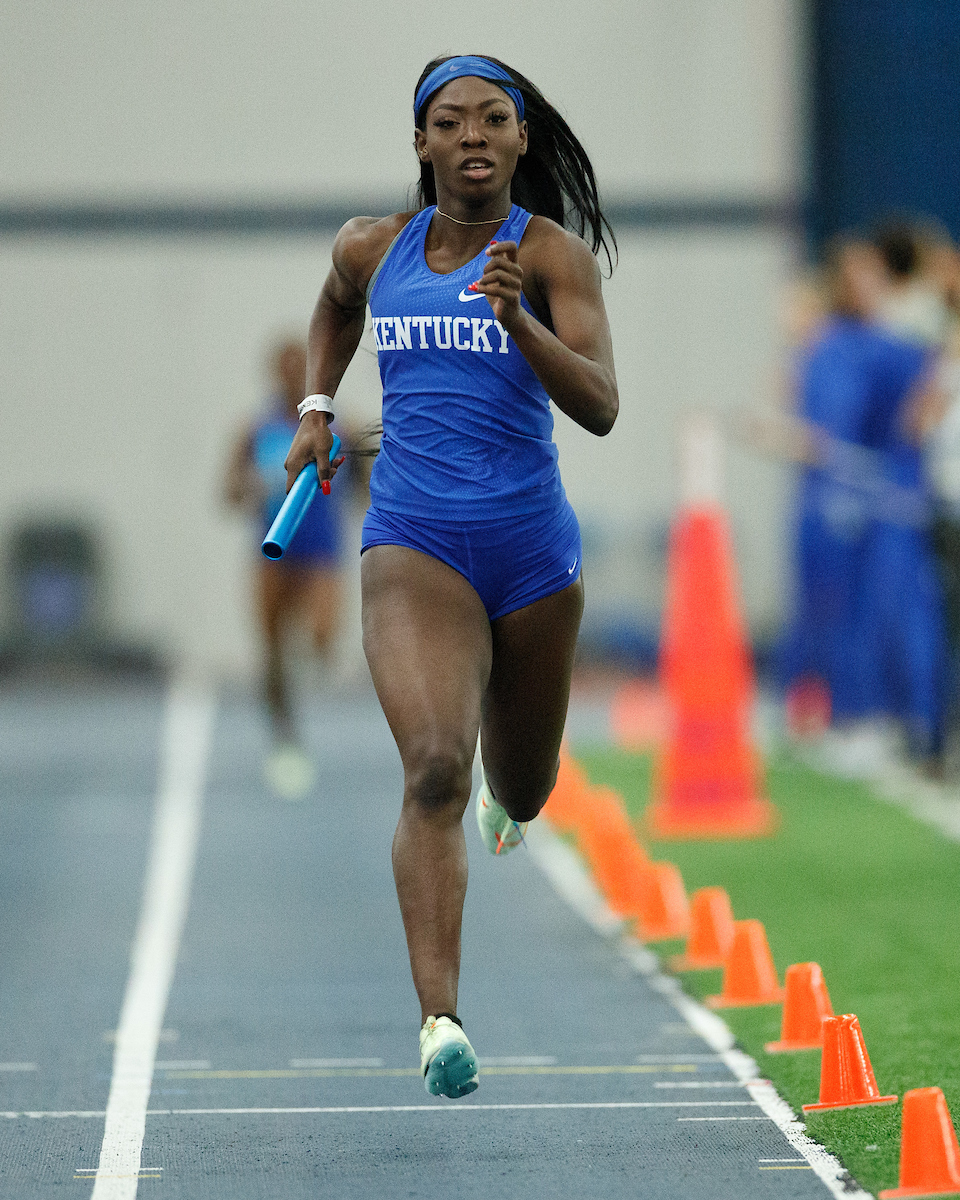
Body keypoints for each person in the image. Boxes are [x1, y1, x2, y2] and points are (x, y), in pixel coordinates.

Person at [282, 55, 618, 1098]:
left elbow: (603, 405)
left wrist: (519, 319)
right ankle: (440, 1021)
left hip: (531, 555)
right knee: (434, 764)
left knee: (521, 784)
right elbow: (335, 310)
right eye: (450, 122)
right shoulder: (374, 248)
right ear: (423, 145)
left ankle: (510, 802)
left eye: (494, 120)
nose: (473, 135)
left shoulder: (553, 257)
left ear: (522, 141)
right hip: (413, 544)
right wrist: (317, 409)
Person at [225, 339, 348, 798]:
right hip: (273, 553)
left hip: (320, 553)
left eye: (302, 368)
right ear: (274, 374)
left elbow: (370, 488)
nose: (293, 376)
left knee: (321, 636)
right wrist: (249, 486)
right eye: (286, 368)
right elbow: (229, 491)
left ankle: (305, 665)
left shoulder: (340, 428)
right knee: (272, 649)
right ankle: (284, 733)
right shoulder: (254, 429)